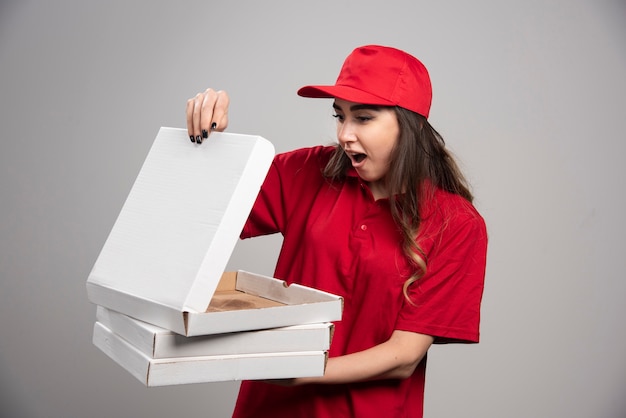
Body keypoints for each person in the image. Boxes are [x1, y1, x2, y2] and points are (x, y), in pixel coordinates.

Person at [186, 45, 488, 418]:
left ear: (409, 127)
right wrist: (209, 146)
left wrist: (303, 371)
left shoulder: (454, 224)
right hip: (269, 409)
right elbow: (204, 218)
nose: (344, 134)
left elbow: (404, 356)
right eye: (339, 116)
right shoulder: (309, 171)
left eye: (362, 118)